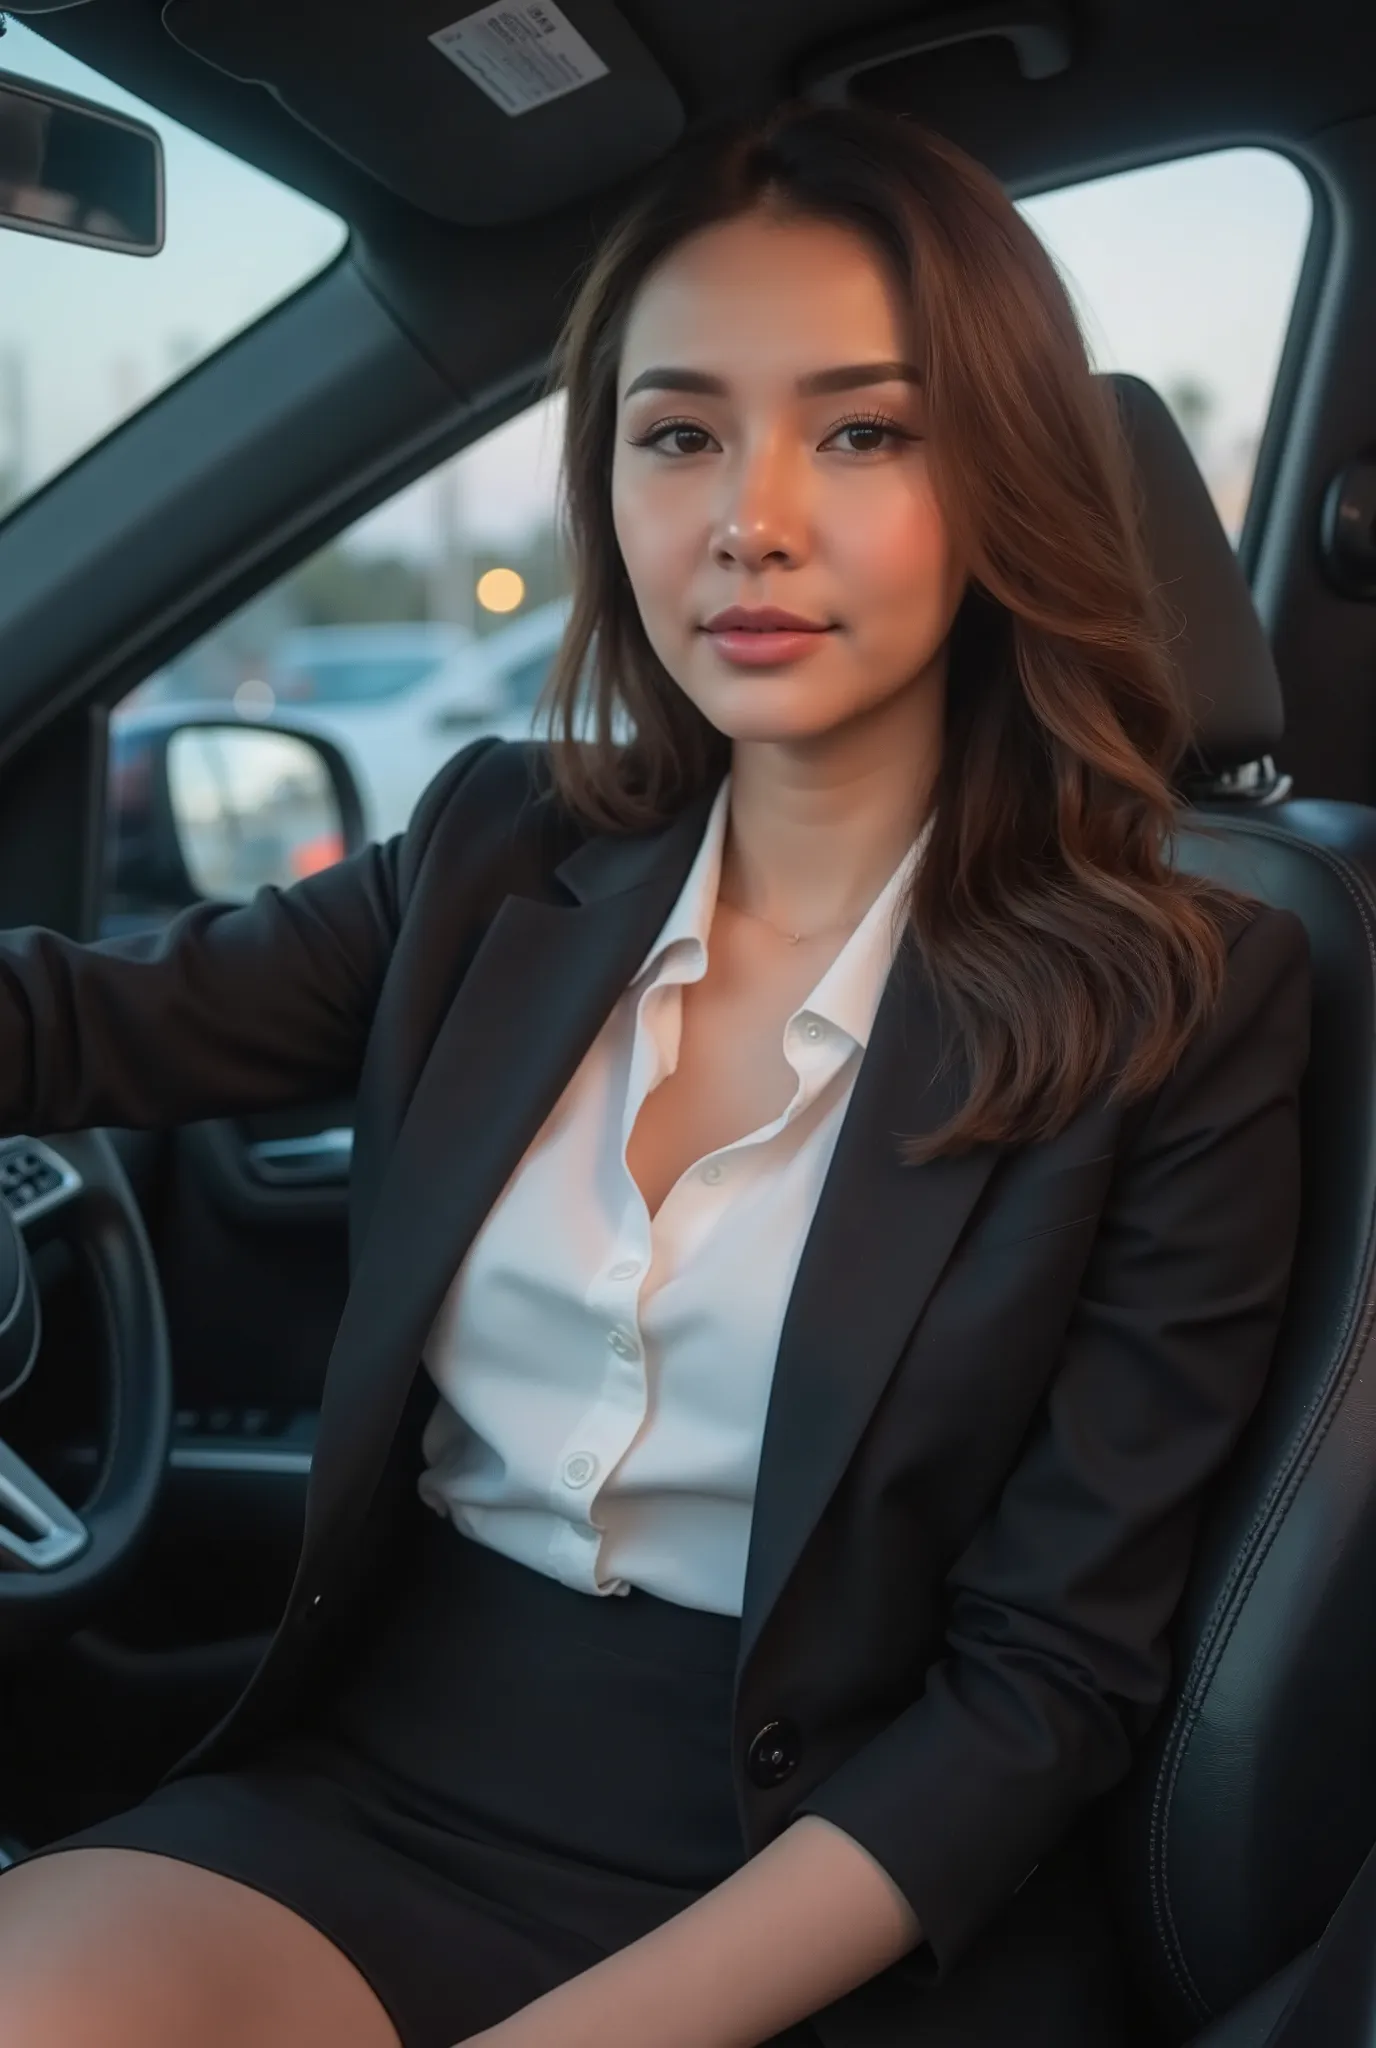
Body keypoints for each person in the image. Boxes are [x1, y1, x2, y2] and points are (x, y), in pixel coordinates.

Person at [0, 100, 1308, 2048]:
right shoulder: (491, 855)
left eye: (861, 431)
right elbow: (79, 1022)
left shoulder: (1188, 1001)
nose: (747, 517)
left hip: (836, 1877)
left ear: (1004, 477)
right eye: (678, 431)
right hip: (383, 1784)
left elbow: (1042, 1683)